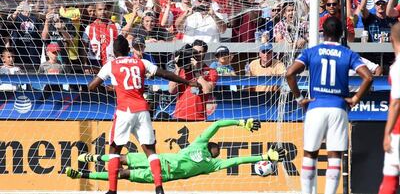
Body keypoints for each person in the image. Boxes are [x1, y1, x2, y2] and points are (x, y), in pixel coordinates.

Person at [88, 35, 200, 194]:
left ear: (114, 51)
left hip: (124, 110)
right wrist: (187, 82)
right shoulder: (142, 62)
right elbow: (164, 74)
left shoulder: (110, 65)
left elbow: (92, 86)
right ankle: (159, 187)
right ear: (128, 50)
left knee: (114, 151)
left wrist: (110, 87)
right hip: (142, 109)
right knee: (150, 151)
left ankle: (112, 190)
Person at [285, 16, 373, 194]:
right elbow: (368, 77)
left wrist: (299, 98)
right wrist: (355, 98)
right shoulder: (348, 53)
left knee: (310, 153)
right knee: (335, 156)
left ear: (322, 32)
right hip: (338, 107)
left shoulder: (312, 51)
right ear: (341, 33)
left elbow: (289, 73)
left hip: (315, 106)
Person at [65, 119, 286, 182]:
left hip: (163, 174)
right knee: (121, 158)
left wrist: (264, 156)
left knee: (121, 175)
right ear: (210, 144)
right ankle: (92, 156)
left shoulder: (213, 164)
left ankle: (83, 174)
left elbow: (238, 161)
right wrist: (241, 123)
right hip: (157, 159)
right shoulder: (200, 143)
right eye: (218, 145)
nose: (221, 148)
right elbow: (217, 125)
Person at [168, 40, 218, 121]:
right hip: (179, 115)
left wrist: (196, 71)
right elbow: (171, 90)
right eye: (194, 51)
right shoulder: (182, 70)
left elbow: (207, 90)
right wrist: (177, 69)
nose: (197, 54)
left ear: (205, 53)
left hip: (199, 117)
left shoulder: (211, 71)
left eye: (200, 52)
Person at [377, 22, 400, 194]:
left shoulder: (397, 67)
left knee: (390, 178)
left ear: (392, 40)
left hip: (398, 130)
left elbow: (396, 102)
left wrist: (387, 133)